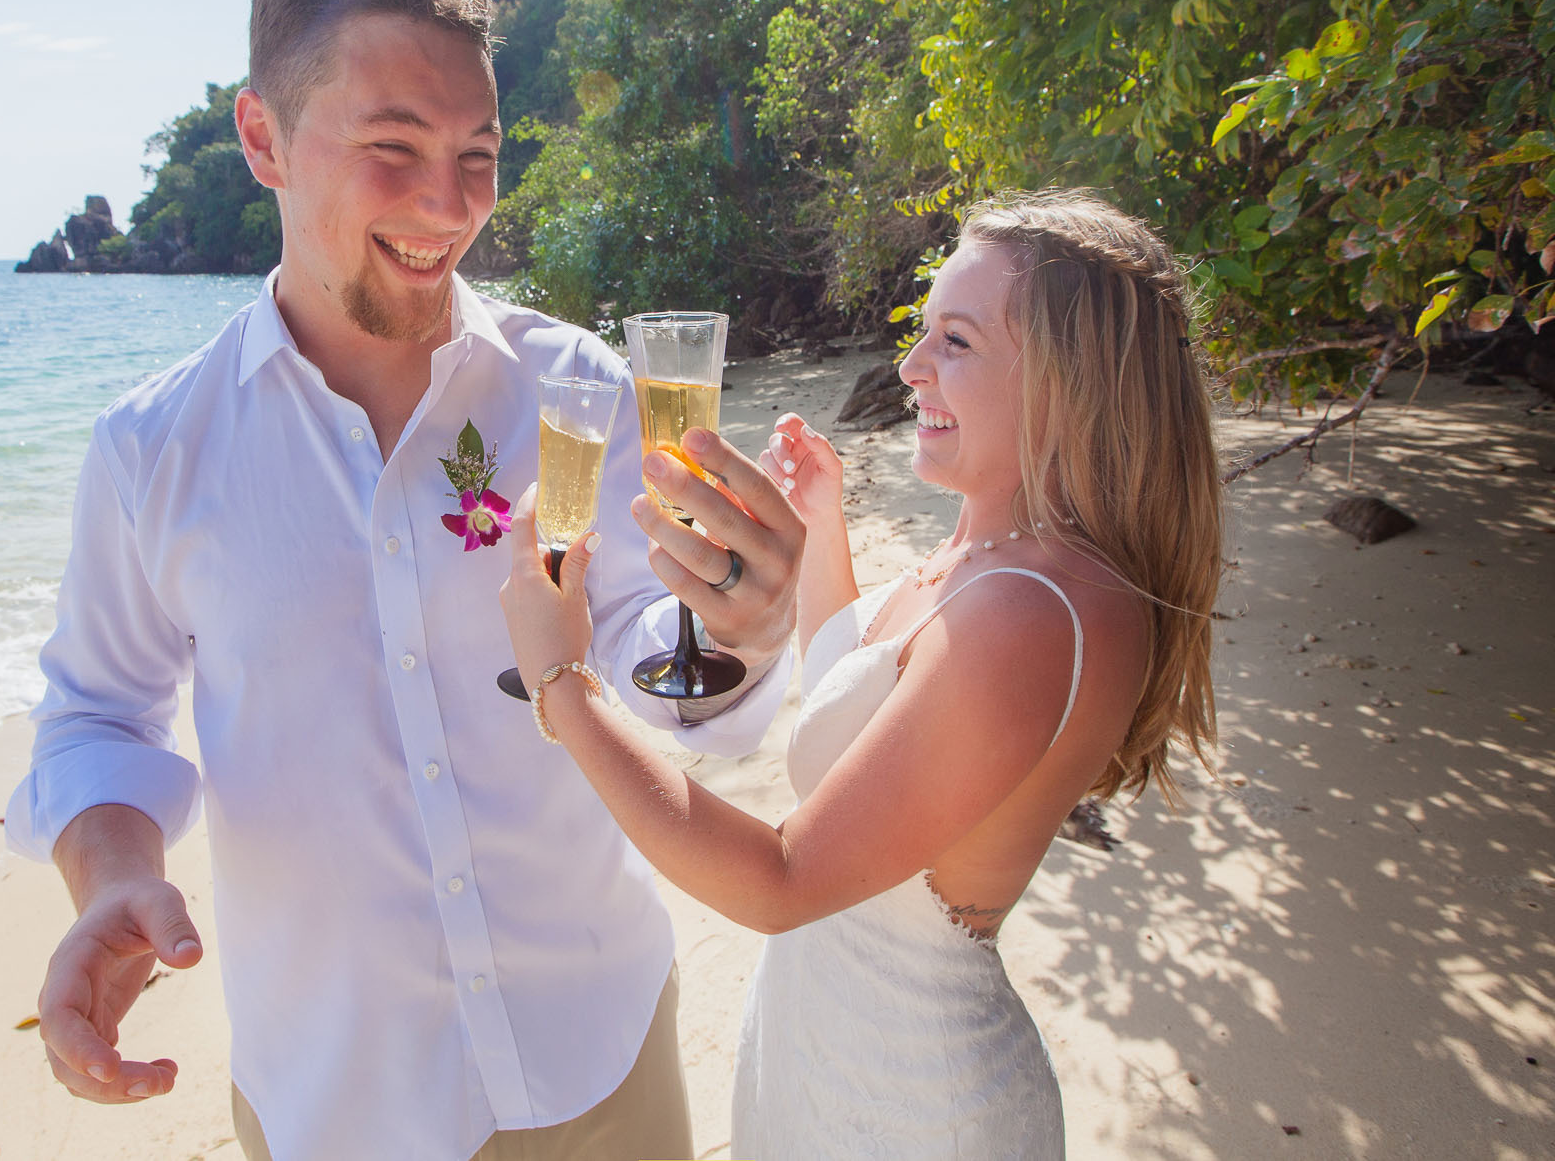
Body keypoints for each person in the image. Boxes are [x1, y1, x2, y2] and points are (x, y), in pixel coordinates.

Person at [3, 0, 804, 1161]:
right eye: (393, 150)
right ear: (263, 139)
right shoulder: (153, 449)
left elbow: (648, 640)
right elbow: (99, 718)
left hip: (601, 1047)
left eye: (476, 157)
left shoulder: (570, 391)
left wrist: (735, 630)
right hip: (338, 1099)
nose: (449, 206)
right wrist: (111, 875)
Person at [500, 190, 1224, 1158]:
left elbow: (783, 880)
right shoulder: (990, 554)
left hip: (909, 1103)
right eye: (923, 333)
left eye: (954, 342)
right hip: (830, 1065)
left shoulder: (1030, 608)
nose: (910, 366)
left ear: (1071, 377)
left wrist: (559, 678)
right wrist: (820, 525)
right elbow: (871, 688)